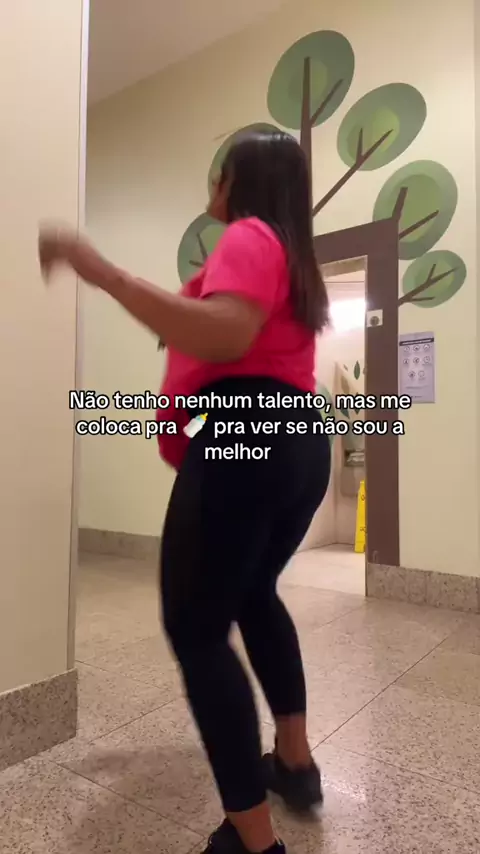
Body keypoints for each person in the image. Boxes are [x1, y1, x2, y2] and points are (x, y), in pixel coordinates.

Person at [39, 129, 331, 854]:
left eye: (218, 171)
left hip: (245, 433)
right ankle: (294, 766)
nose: (213, 184)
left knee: (197, 629)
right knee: (253, 593)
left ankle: (251, 840)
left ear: (236, 180)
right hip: (296, 436)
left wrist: (102, 272)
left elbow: (225, 335)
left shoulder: (247, 236)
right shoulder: (289, 253)